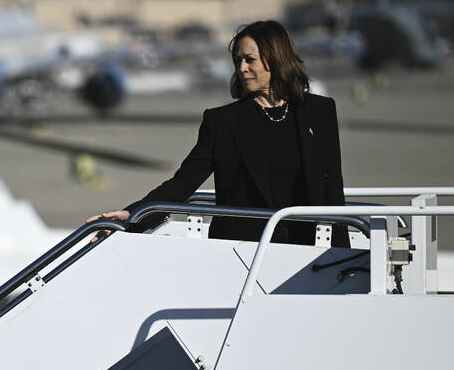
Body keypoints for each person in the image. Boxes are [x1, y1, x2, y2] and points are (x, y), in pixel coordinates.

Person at [88, 20, 348, 246]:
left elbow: (332, 191)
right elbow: (182, 184)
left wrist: (345, 258)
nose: (242, 68)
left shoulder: (320, 112)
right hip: (242, 253)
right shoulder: (223, 122)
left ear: (277, 58)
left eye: (250, 60)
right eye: (238, 61)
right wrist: (132, 217)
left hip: (309, 251)